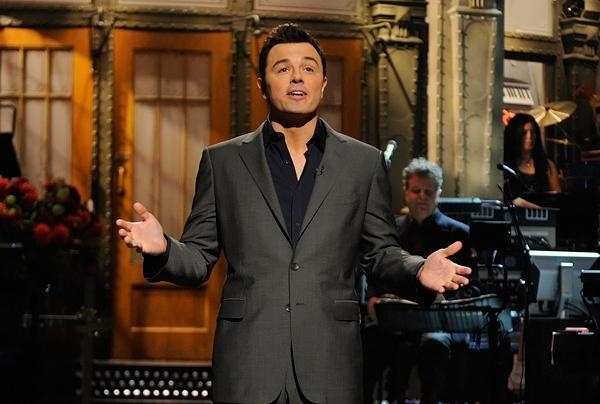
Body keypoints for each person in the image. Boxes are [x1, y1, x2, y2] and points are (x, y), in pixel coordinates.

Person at [116, 23, 471, 404]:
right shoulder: (223, 162)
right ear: (262, 84)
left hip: (330, 362)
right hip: (248, 361)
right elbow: (199, 257)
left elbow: (381, 254)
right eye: (283, 68)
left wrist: (418, 270)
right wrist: (164, 249)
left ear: (323, 83)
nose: (297, 76)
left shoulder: (363, 163)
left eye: (308, 67)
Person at [364, 158, 477, 404]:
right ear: (405, 193)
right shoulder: (391, 230)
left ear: (439, 193)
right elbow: (375, 272)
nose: (422, 197)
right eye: (416, 191)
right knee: (368, 342)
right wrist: (372, 297)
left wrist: (442, 295)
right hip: (397, 319)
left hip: (440, 322)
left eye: (429, 191)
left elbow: (471, 286)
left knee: (434, 345)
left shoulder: (459, 234)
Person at [503, 112, 561, 208]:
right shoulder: (506, 165)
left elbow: (558, 198)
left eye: (533, 132)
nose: (529, 137)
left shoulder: (547, 165)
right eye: (524, 133)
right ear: (515, 135)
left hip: (543, 214)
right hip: (515, 215)